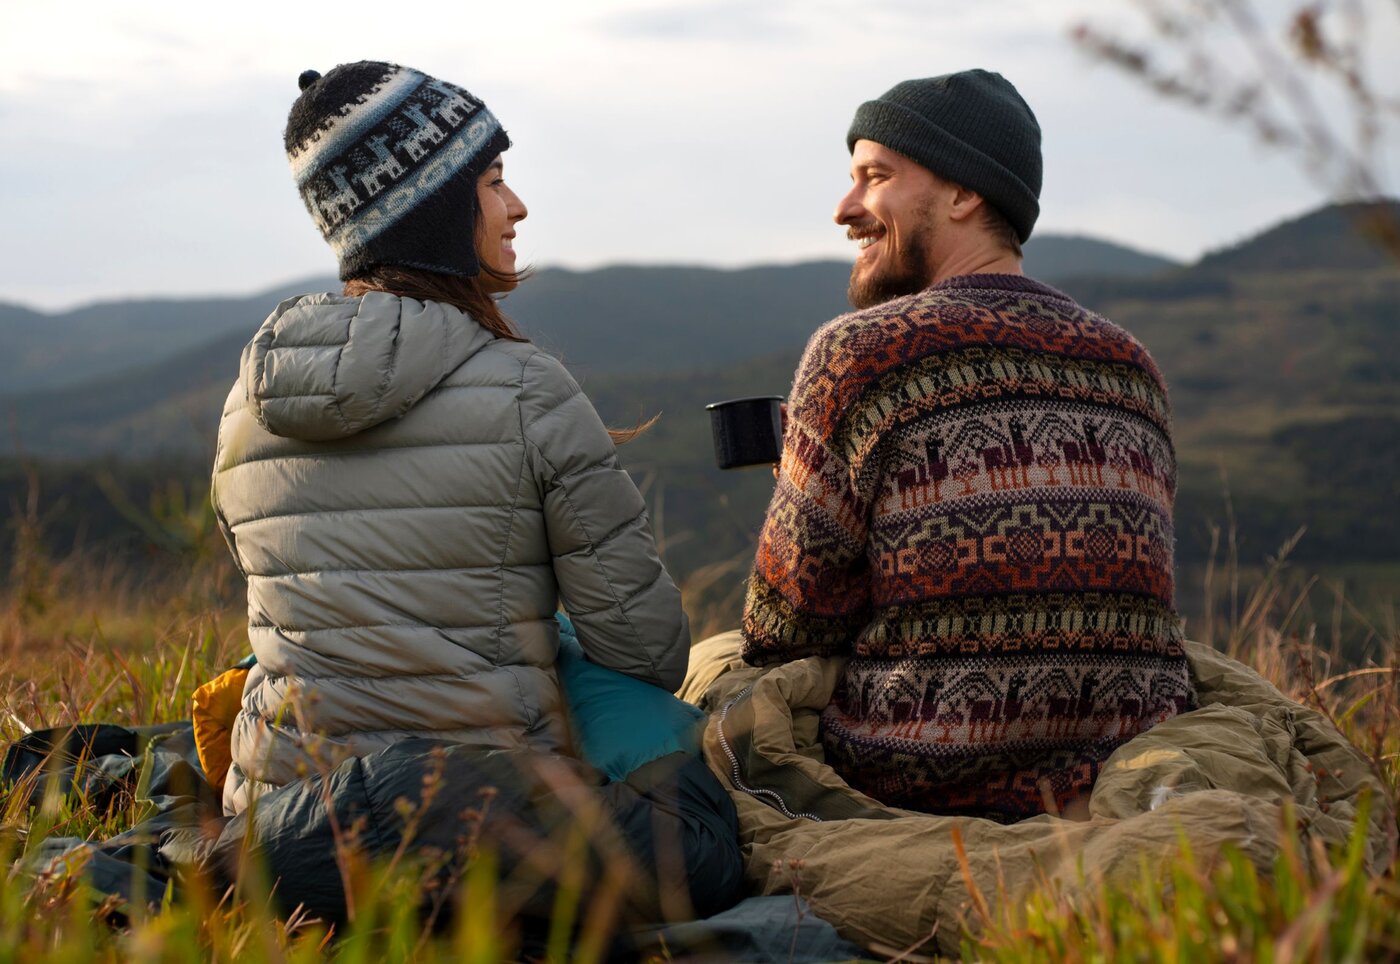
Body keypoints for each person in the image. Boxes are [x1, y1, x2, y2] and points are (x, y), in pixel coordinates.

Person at [210, 61, 691, 817]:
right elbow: (646, 653)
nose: (518, 205)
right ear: (432, 207)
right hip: (485, 819)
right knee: (702, 829)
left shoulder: (248, 403)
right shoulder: (528, 387)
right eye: (494, 181)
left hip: (279, 826)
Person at [740, 70, 1195, 822]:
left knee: (716, 672)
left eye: (874, 177)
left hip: (922, 779)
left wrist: (807, 487)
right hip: (1123, 767)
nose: (844, 208)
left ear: (963, 195)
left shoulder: (861, 354)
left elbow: (785, 630)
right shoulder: (1130, 365)